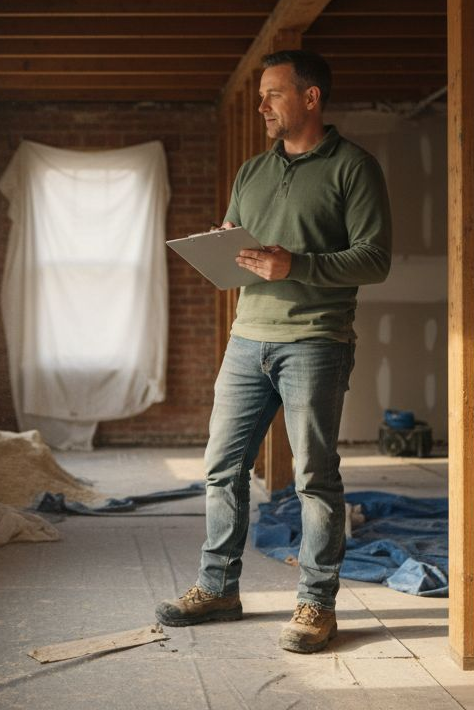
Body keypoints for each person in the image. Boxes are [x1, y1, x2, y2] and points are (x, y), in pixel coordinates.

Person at [154, 49, 391, 653]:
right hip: (246, 338)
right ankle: (218, 589)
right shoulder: (251, 171)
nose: (262, 106)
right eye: (261, 95)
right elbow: (242, 244)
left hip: (315, 341)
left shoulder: (354, 168)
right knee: (221, 468)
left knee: (313, 478)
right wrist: (223, 245)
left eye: (274, 94)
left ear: (311, 98)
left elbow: (375, 257)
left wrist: (298, 263)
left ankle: (317, 604)